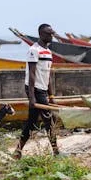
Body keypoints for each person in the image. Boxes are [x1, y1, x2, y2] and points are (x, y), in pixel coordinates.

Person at [14, 23, 58, 159]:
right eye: (48, 33)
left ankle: (18, 151)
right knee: (49, 119)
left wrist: (51, 95)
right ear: (41, 34)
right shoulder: (34, 50)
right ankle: (56, 152)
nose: (51, 36)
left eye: (52, 33)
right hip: (35, 89)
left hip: (43, 89)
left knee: (32, 121)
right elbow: (32, 74)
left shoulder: (49, 52)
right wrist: (31, 97)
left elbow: (48, 75)